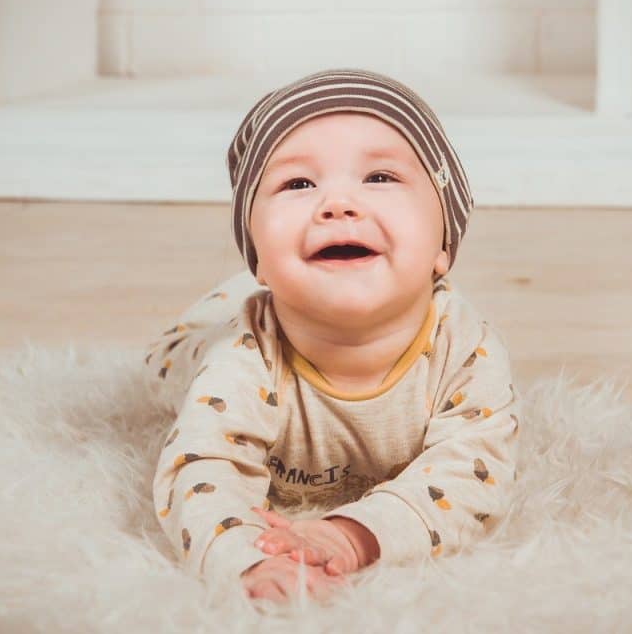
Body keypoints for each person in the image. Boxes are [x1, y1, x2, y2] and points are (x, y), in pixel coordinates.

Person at [143, 68, 521, 604]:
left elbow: (472, 474)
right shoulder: (242, 356)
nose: (338, 205)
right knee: (189, 352)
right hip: (200, 344)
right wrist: (244, 559)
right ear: (259, 259)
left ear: (445, 244)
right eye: (298, 184)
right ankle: (231, 297)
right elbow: (204, 469)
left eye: (380, 178)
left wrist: (354, 533)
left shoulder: (467, 348)